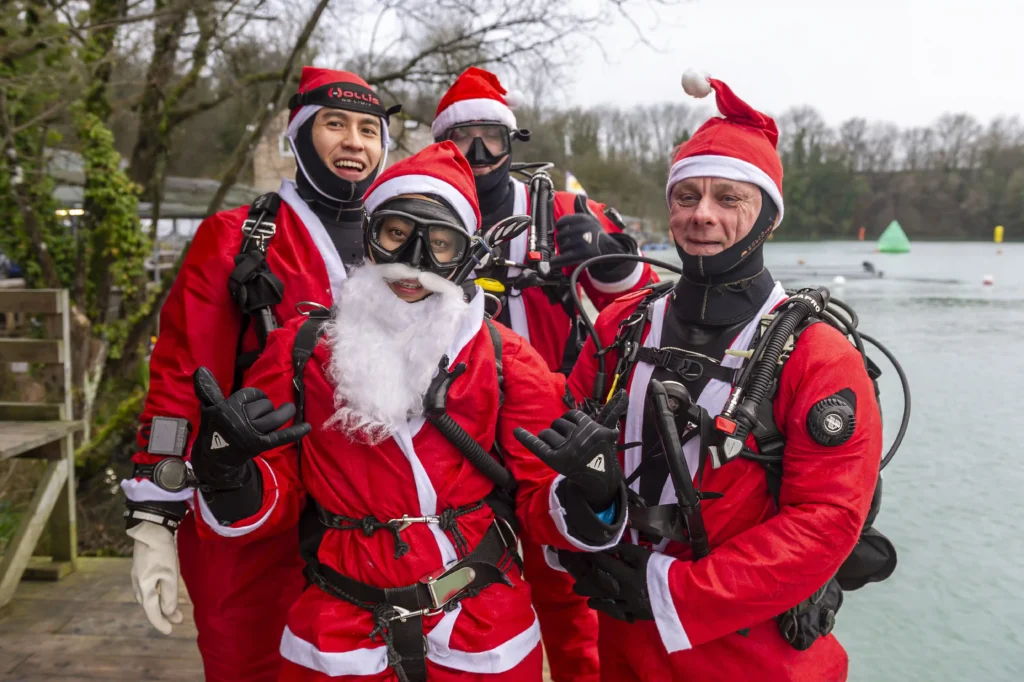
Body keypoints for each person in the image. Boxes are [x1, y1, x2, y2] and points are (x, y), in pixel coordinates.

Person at [185, 141, 629, 682]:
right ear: (370, 235)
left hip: (481, 623)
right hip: (337, 625)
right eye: (397, 234)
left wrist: (596, 494)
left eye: (439, 243)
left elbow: (541, 501)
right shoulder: (302, 353)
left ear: (463, 256)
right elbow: (273, 499)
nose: (411, 264)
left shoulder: (501, 357)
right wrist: (224, 473)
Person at [517, 72, 884, 681]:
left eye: (728, 199)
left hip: (752, 653)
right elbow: (551, 460)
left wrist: (671, 592)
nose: (702, 216)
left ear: (768, 216)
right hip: (625, 637)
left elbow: (825, 523)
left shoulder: (819, 355)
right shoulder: (620, 326)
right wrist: (589, 509)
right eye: (686, 197)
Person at [121, 67, 400, 682]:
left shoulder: (405, 240)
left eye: (369, 129)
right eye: (335, 125)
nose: (355, 141)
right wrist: (154, 515)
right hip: (253, 497)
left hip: (374, 515)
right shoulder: (237, 238)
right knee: (252, 662)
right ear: (299, 137)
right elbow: (178, 377)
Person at [431, 67, 656, 681]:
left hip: (556, 429)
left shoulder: (563, 211)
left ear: (513, 143)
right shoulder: (425, 215)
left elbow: (644, 305)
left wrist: (610, 264)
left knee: (573, 602)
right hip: (455, 441)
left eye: (492, 138)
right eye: (462, 139)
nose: (478, 155)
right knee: (466, 596)